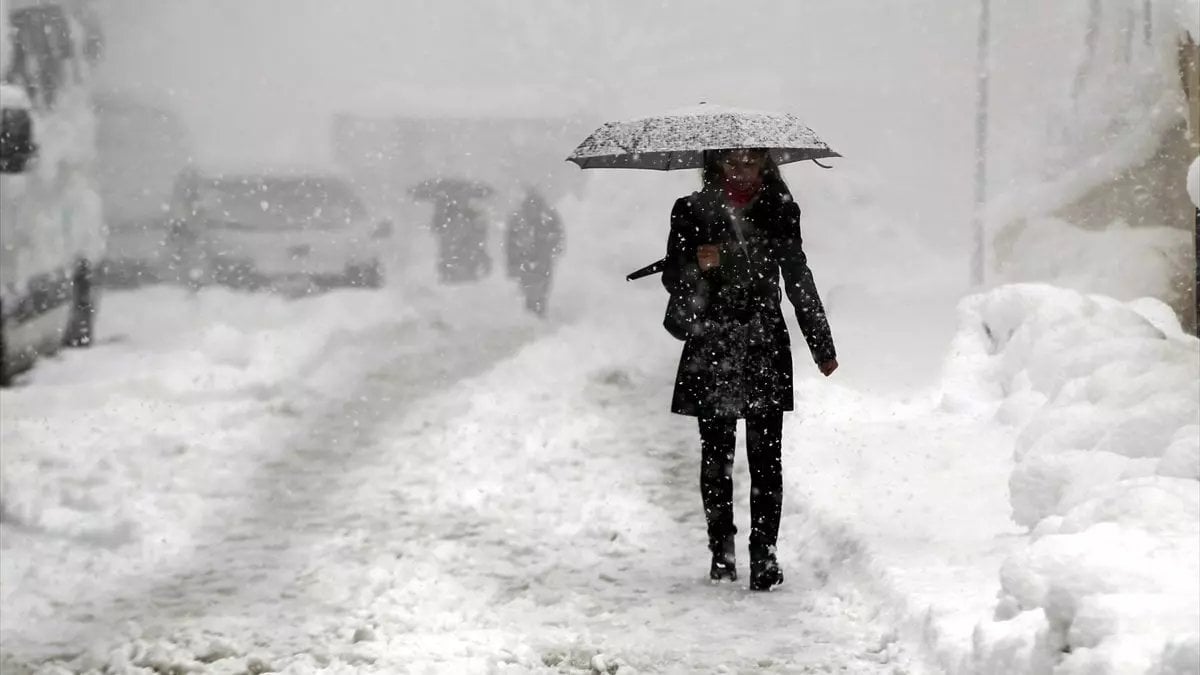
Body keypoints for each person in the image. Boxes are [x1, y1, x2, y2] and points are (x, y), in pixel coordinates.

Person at [661, 148, 838, 591]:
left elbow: (797, 274)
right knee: (716, 457)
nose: (742, 169)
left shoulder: (780, 209)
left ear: (765, 164)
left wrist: (821, 343)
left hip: (763, 340)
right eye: (732, 162)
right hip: (712, 338)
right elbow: (673, 276)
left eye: (751, 161)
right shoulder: (691, 210)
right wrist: (698, 268)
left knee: (766, 459)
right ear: (716, 164)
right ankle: (721, 551)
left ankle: (765, 556)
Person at [505, 186, 564, 317]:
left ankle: (536, 315)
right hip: (527, 260)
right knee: (532, 292)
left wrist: (553, 248)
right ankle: (533, 316)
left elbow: (558, 236)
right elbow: (510, 243)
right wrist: (512, 263)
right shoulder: (518, 219)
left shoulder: (549, 217)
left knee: (541, 292)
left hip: (541, 260)